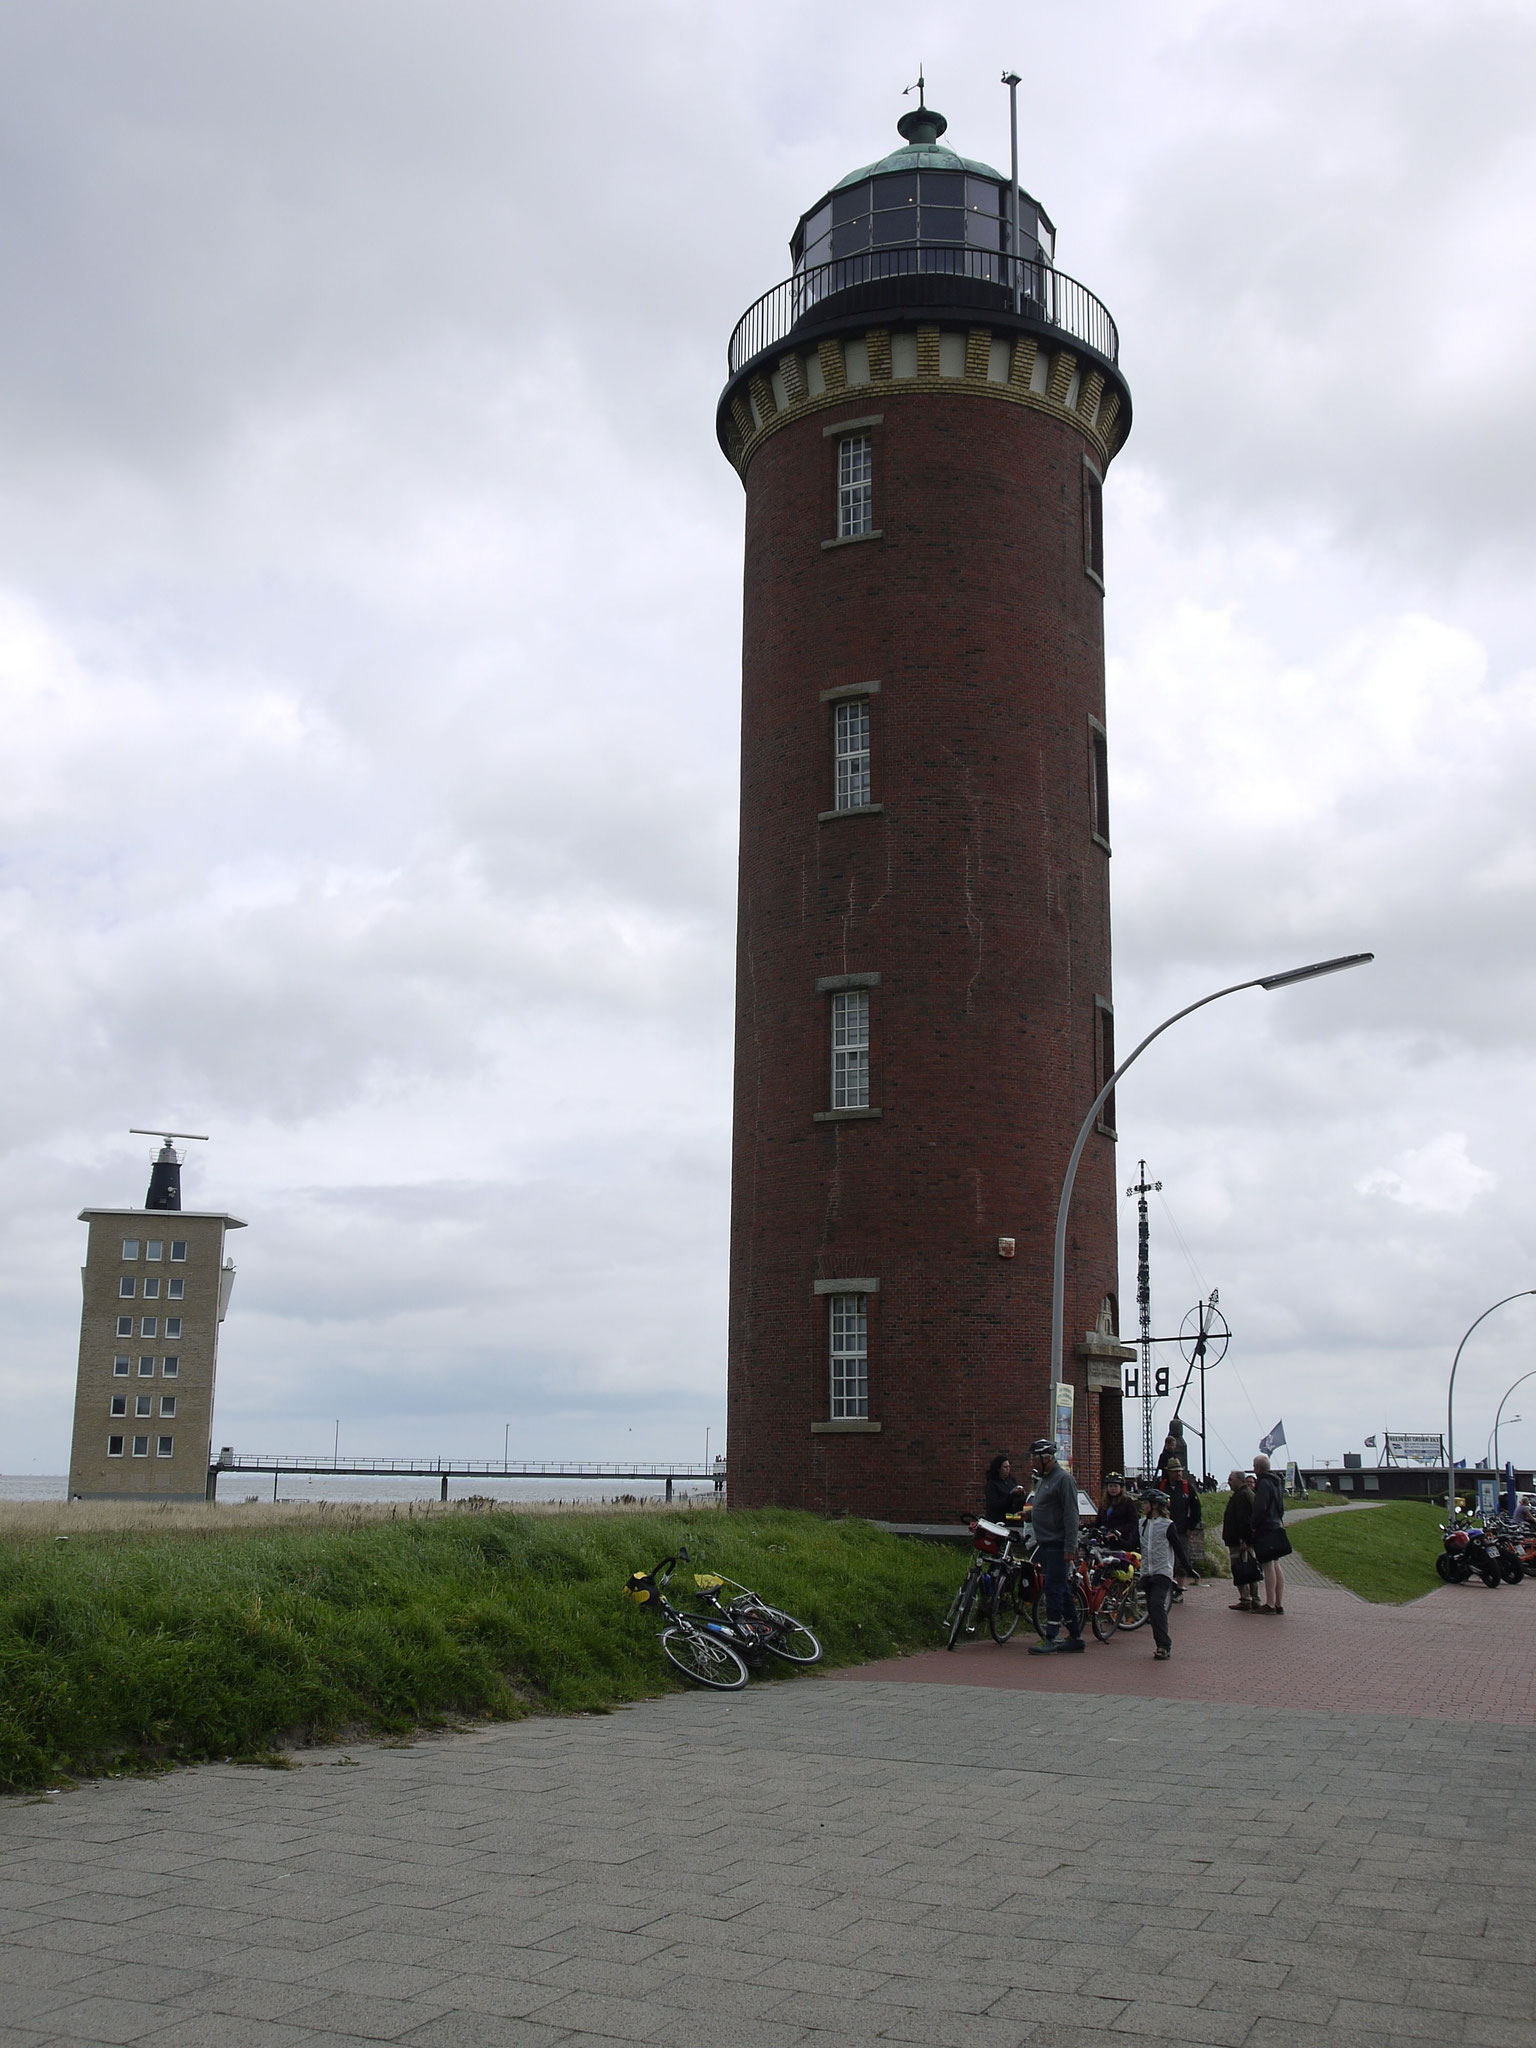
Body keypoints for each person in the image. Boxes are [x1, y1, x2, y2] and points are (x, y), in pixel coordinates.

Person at [1025, 1438, 1085, 1654]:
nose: (1033, 1461)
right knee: (1063, 1590)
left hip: (1058, 1544)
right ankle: (1076, 1637)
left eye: (1035, 1458)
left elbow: (1070, 1514)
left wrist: (1071, 1546)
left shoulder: (1063, 1479)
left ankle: (1050, 1637)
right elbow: (1047, 1508)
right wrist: (1030, 1515)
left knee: (1053, 1589)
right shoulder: (1045, 1479)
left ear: (1046, 1458)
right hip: (1046, 1543)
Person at [1137, 1487, 1176, 1659]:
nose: (1143, 1506)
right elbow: (1134, 1542)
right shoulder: (1141, 1524)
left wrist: (1189, 1569)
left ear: (1154, 1506)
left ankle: (1164, 1645)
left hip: (1162, 1571)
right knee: (1152, 1612)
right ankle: (1160, 1642)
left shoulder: (1167, 1525)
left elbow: (1178, 1548)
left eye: (1145, 1503)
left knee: (1156, 1605)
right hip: (1147, 1572)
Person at [1251, 1452, 1291, 1614]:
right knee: (1276, 1565)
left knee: (1267, 1566)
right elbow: (1280, 1507)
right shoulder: (1277, 1483)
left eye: (1254, 1467)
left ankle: (1269, 1603)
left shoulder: (1263, 1484)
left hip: (1265, 1528)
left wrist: (1254, 1524)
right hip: (1275, 1525)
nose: (1253, 1470)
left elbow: (1261, 1506)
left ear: (1259, 1468)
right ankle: (1278, 1603)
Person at [1163, 1458, 1204, 1591]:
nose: (1179, 1474)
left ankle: (1180, 1587)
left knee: (1182, 1558)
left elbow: (1196, 1509)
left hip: (1181, 1529)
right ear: (1169, 1472)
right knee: (1164, 1558)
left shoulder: (1187, 1488)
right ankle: (1168, 1586)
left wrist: (1191, 1527)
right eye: (1175, 1471)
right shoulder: (1161, 1487)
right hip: (1163, 1529)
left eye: (1180, 1471)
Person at [1223, 1469, 1260, 1611]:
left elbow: (1243, 1520)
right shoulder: (1245, 1494)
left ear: (1240, 1480)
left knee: (1241, 1569)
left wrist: (1243, 1539)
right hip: (1244, 1540)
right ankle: (1254, 1599)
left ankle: (1246, 1599)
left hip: (1239, 1542)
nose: (1228, 1482)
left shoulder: (1242, 1496)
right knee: (1250, 1569)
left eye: (1231, 1479)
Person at [1095, 1472, 1139, 1550]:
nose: (1112, 1489)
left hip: (1122, 1540)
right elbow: (1098, 1522)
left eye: (1115, 1486)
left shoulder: (1127, 1502)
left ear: (1121, 1488)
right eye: (1110, 1486)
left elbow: (1133, 1522)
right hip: (1106, 1540)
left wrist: (1117, 1530)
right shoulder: (1105, 1503)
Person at [983, 1451, 1026, 1523]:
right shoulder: (992, 1484)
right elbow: (994, 1505)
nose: (1008, 1469)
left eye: (1009, 1467)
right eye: (1005, 1467)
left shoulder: (1011, 1480)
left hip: (1012, 1517)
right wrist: (1011, 1495)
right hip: (999, 1519)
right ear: (998, 1469)